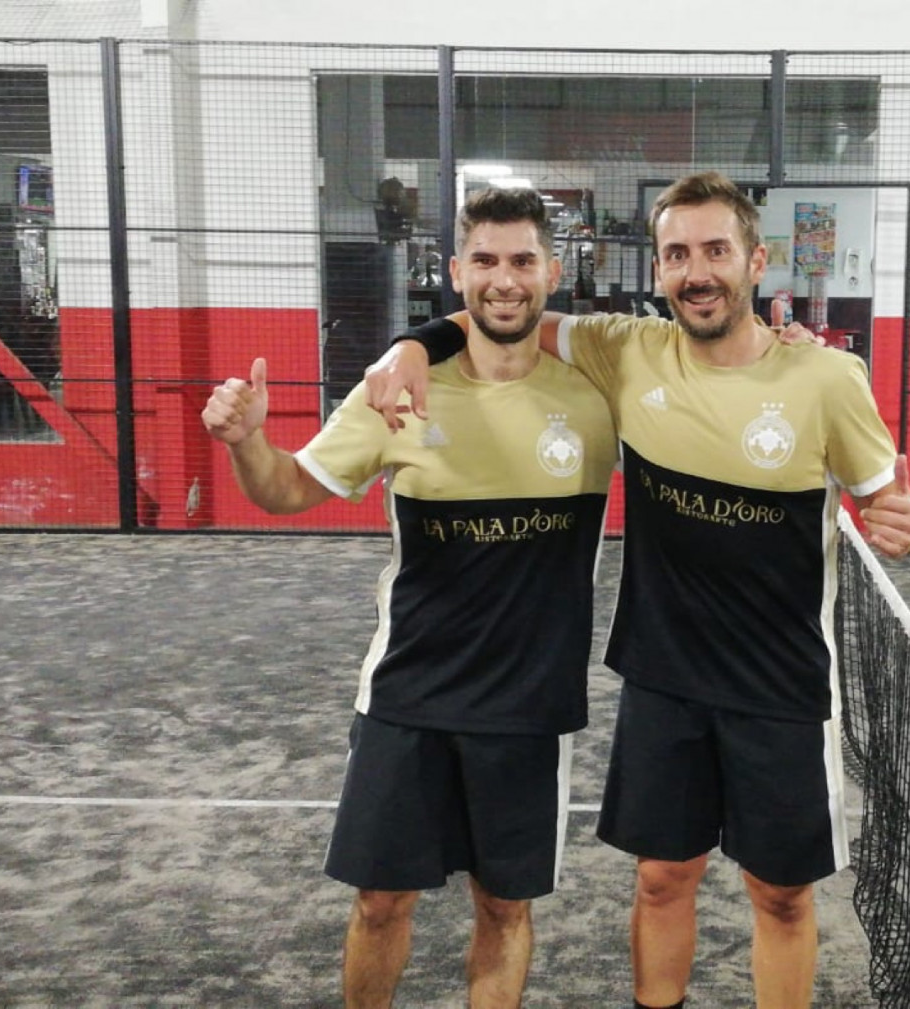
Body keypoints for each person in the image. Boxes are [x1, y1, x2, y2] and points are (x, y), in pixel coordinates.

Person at [363, 171, 910, 1009]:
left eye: (716, 250)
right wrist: (411, 344)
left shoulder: (828, 379)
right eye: (677, 254)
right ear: (658, 269)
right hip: (664, 678)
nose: (697, 271)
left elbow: (885, 499)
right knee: (662, 878)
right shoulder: (625, 350)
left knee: (781, 895)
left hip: (781, 685)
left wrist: (895, 519)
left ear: (756, 261)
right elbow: (504, 311)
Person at [200, 186, 614, 1008]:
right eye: (486, 261)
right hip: (408, 693)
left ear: (552, 271)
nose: (505, 280)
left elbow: (707, 373)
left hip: (528, 705)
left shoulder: (598, 390)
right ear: (457, 272)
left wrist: (785, 344)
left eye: (523, 260)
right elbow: (286, 489)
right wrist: (248, 442)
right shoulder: (392, 391)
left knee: (504, 907)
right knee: (380, 902)